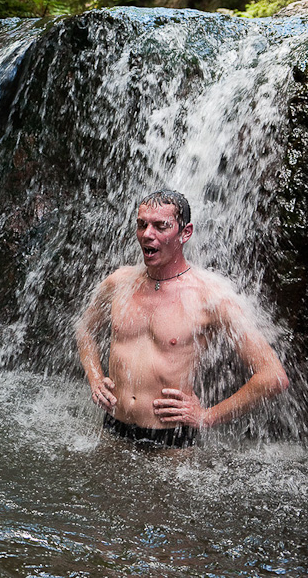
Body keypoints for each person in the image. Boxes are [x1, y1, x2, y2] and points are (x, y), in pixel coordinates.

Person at [75, 189, 290, 447]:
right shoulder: (118, 283)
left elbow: (273, 376)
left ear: (185, 233)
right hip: (113, 427)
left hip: (171, 442)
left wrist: (207, 416)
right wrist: (95, 378)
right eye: (142, 224)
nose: (147, 234)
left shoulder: (210, 297)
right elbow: (85, 329)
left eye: (160, 226)